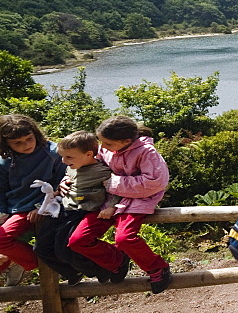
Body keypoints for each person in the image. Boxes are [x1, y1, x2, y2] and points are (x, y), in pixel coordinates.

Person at [67, 116, 172, 293]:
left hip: (137, 200)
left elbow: (155, 181)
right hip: (106, 200)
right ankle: (117, 260)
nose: (102, 147)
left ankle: (157, 267)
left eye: (107, 143)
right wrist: (67, 180)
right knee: (78, 240)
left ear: (126, 141)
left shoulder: (147, 152)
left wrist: (112, 184)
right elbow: (86, 165)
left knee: (124, 238)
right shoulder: (108, 149)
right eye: (102, 142)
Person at [34, 131, 112, 284]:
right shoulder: (73, 166)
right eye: (62, 156)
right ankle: (72, 272)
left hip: (80, 210)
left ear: (88, 154)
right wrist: (60, 185)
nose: (63, 161)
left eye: (68, 157)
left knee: (64, 248)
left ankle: (99, 270)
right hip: (64, 208)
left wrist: (111, 206)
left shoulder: (102, 171)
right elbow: (69, 179)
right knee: (40, 248)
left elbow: (115, 190)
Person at [0, 115, 66, 285]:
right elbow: (2, 191)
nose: (26, 145)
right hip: (14, 209)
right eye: (18, 143)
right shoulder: (5, 161)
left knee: (1, 239)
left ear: (35, 133)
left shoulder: (54, 153)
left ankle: (46, 263)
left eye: (29, 139)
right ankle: (16, 262)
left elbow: (62, 184)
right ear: (6, 143)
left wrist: (41, 207)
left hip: (43, 207)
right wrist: (2, 213)